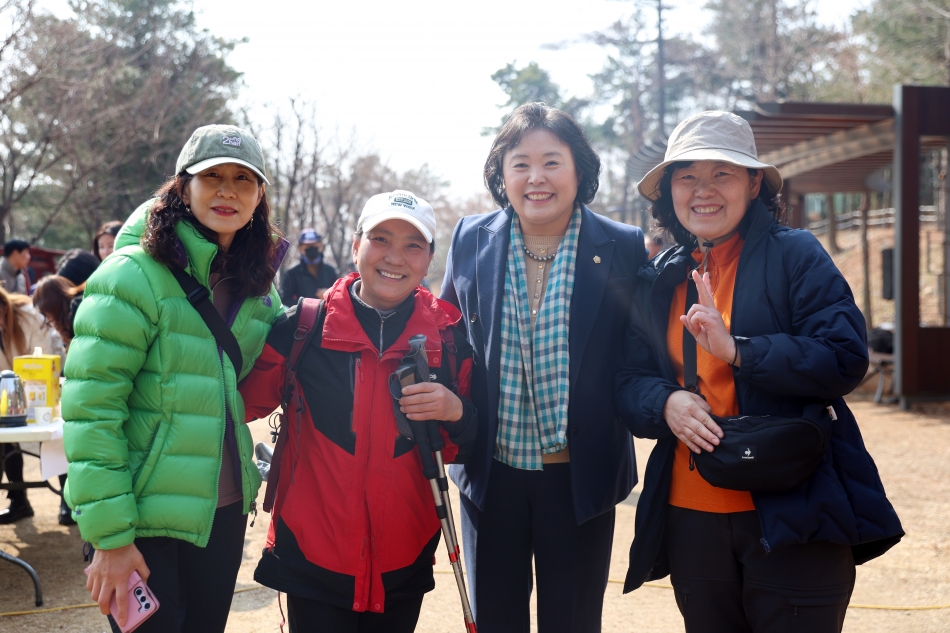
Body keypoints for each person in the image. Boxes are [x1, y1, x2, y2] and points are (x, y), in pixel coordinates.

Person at [616, 111, 904, 632]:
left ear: (753, 184)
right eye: (687, 176)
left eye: (722, 173)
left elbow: (843, 357)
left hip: (793, 507)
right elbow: (628, 379)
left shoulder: (796, 254)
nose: (703, 190)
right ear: (669, 192)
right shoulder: (661, 276)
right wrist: (665, 402)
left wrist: (740, 350)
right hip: (693, 514)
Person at [63, 124, 287, 633]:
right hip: (142, 521)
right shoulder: (131, 274)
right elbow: (90, 414)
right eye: (212, 176)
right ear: (183, 187)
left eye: (243, 180)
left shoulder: (260, 293)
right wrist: (111, 538)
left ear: (259, 196)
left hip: (222, 516)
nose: (227, 190)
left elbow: (245, 390)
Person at [440, 102, 645, 632]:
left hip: (581, 476)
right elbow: (449, 343)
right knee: (497, 619)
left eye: (552, 162)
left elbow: (639, 352)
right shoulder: (469, 238)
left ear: (580, 170)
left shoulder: (622, 246)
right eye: (520, 163)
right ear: (500, 174)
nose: (536, 178)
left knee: (573, 621)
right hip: (492, 473)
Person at [241, 190, 476, 632]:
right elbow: (239, 401)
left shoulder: (448, 337)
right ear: (355, 246)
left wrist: (456, 409)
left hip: (403, 560)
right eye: (381, 238)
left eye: (413, 245)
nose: (395, 257)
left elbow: (469, 441)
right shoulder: (302, 327)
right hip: (311, 558)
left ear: (428, 261)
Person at [0, 286, 66, 524]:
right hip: (10, 394)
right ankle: (18, 500)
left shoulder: (28, 316)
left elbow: (47, 358)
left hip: (45, 384)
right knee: (6, 440)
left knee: (52, 438)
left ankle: (67, 500)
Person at [279, 228, 339, 306]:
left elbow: (340, 296)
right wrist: (308, 304)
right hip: (303, 316)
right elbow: (285, 299)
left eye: (314, 244)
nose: (311, 248)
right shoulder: (292, 273)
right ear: (300, 248)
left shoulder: (330, 271)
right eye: (307, 245)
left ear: (320, 245)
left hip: (327, 316)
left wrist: (329, 294)